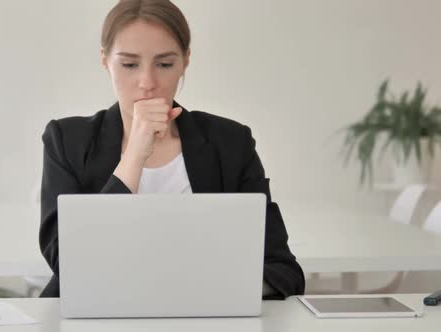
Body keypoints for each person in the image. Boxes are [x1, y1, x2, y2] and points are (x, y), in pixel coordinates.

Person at [39, 0, 305, 299]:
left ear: (185, 62)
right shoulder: (67, 140)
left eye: (165, 64)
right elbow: (70, 263)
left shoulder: (231, 143)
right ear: (105, 61)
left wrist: (199, 291)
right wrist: (135, 156)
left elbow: (283, 270)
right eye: (129, 64)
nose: (147, 83)